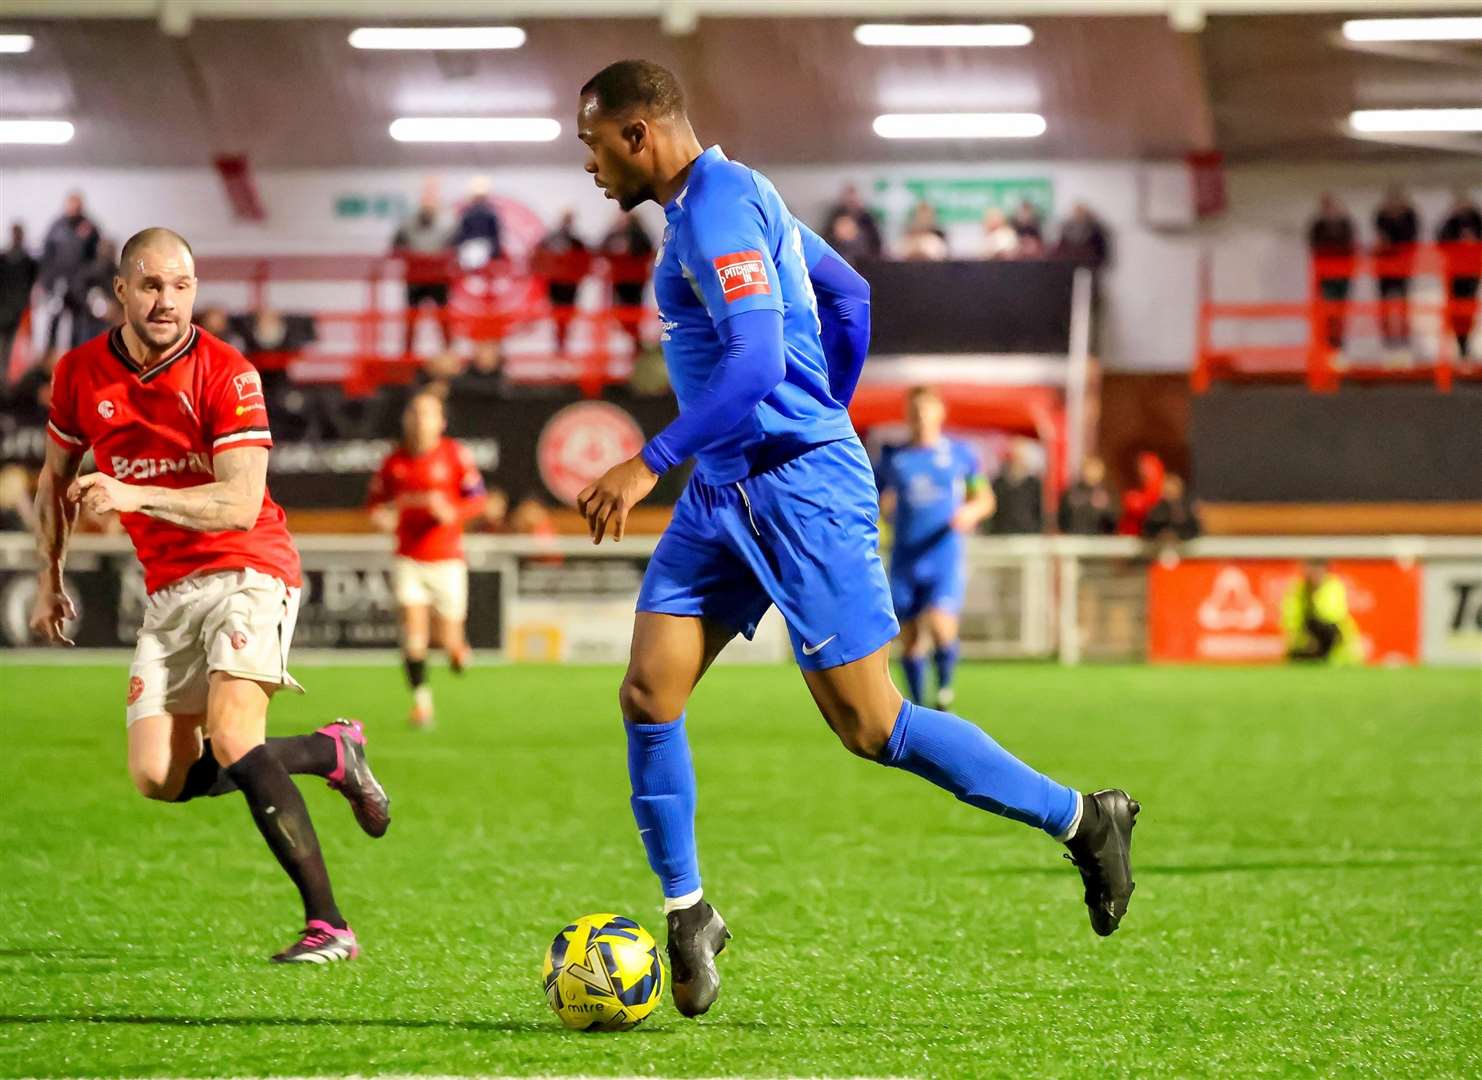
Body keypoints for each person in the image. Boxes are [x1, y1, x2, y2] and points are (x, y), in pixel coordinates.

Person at [572, 58, 1139, 1019]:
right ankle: (688, 911)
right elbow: (852, 295)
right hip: (725, 494)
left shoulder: (713, 211)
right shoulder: (734, 199)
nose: (588, 167)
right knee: (647, 690)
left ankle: (1085, 819)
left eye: (592, 144)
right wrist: (820, 401)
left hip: (794, 494)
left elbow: (754, 358)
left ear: (637, 134)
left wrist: (656, 456)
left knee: (872, 727)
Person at [28, 227, 390, 963]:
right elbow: (52, 481)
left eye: (182, 286)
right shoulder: (79, 373)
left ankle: (329, 924)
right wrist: (49, 576)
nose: (168, 301)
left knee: (232, 733)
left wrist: (131, 491)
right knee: (158, 777)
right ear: (121, 291)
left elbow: (238, 502)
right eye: (153, 285)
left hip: (249, 566)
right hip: (169, 588)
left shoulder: (228, 373)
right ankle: (328, 752)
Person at [368, 390, 487, 729]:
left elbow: (478, 500)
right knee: (413, 633)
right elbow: (375, 504)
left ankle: (456, 648)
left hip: (447, 559)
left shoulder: (455, 455)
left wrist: (452, 512)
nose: (420, 421)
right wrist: (382, 517)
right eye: (415, 413)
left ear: (441, 421)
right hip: (408, 558)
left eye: (428, 414)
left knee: (448, 640)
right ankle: (422, 704)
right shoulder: (394, 462)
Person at [875, 387, 994, 710]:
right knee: (910, 640)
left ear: (940, 413)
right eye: (915, 411)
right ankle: (919, 705)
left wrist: (970, 512)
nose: (921, 418)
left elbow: (984, 498)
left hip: (944, 555)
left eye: (927, 410)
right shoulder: (894, 458)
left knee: (942, 627)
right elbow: (876, 500)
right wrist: (884, 510)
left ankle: (944, 690)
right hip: (905, 557)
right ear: (907, 415)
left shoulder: (959, 455)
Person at [391, 194, 454, 357]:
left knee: (443, 318)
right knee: (411, 318)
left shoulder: (446, 228)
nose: (428, 212)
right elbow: (395, 248)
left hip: (438, 279)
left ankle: (448, 352)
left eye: (431, 208)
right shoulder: (406, 227)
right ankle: (407, 352)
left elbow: (454, 250)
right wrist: (412, 257)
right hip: (415, 279)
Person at [40, 192, 100, 352]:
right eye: (71, 205)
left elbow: (95, 258)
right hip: (58, 283)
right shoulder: (57, 226)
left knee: (78, 323)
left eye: (77, 205)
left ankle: (74, 357)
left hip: (80, 284)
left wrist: (89, 281)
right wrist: (45, 283)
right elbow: (47, 255)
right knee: (54, 321)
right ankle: (49, 356)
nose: (73, 208)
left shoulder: (89, 227)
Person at [1281, 561, 1362, 664]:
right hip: (1306, 641)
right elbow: (1291, 620)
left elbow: (1330, 620)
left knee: (1320, 627)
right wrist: (1302, 639)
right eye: (1310, 568)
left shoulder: (1332, 586)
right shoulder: (1298, 588)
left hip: (1334, 647)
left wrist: (1313, 597)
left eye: (1317, 568)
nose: (1313, 573)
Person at [536, 210, 590, 355]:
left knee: (564, 315)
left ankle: (561, 344)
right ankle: (560, 344)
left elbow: (585, 259)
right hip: (557, 283)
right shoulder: (554, 238)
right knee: (558, 315)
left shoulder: (574, 240)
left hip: (567, 284)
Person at [1307, 194, 1357, 351]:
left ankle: (1338, 341)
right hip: (1325, 274)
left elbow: (1351, 246)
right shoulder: (1318, 226)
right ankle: (1327, 341)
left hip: (1343, 273)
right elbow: (1314, 246)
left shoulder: (1346, 224)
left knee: (1341, 308)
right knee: (1328, 308)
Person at [1437, 191, 1482, 360]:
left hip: (1472, 270)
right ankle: (1459, 346)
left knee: (1469, 308)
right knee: (1455, 311)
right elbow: (1440, 240)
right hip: (1454, 272)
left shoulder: (1477, 220)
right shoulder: (1450, 223)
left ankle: (1468, 345)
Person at [601, 211, 656, 350]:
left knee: (632, 311)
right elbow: (602, 247)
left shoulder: (639, 235)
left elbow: (646, 248)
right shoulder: (615, 233)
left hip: (635, 279)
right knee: (619, 312)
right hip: (619, 278)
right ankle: (634, 342)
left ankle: (636, 344)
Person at [1374, 186, 1419, 349]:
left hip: (1403, 267)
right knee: (1385, 304)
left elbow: (1412, 239)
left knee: (1403, 303)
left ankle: (1404, 335)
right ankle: (1386, 337)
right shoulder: (1381, 217)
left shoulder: (1409, 217)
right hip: (1384, 268)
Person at [0, 222, 38, 371]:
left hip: (12, 310)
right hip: (16, 310)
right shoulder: (29, 261)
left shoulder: (27, 261)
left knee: (9, 350)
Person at [989, 439, 1043, 534]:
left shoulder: (1034, 484)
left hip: (1027, 533)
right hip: (1001, 533)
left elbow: (1040, 511)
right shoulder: (998, 483)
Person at [1058, 456, 1118, 535]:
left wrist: (1106, 509)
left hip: (1099, 541)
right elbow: (1062, 519)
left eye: (1096, 469)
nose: (1092, 472)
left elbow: (1113, 523)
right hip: (1075, 539)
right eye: (1089, 468)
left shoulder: (1107, 494)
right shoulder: (1071, 493)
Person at [821, 183, 883, 260]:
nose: (851, 201)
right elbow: (825, 239)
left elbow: (876, 242)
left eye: (853, 199)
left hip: (864, 260)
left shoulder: (867, 218)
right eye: (848, 198)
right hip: (839, 257)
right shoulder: (835, 216)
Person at [452, 177, 504, 268]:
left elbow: (494, 233)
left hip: (482, 246)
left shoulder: (489, 213)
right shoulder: (468, 213)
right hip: (472, 246)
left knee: (474, 258)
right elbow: (461, 233)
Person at [1141, 473, 1201, 543]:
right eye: (1167, 489)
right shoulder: (1157, 509)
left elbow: (1194, 531)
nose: (1170, 491)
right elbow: (1149, 532)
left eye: (1173, 488)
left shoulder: (1189, 507)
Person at [1055, 202, 1110, 268]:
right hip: (1070, 265)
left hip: (1091, 265)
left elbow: (1101, 250)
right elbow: (1061, 249)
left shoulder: (1095, 230)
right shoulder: (1067, 228)